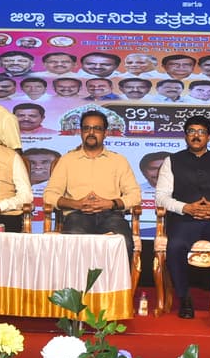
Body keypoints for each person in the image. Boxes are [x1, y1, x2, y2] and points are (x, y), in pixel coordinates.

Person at [155, 116, 210, 318]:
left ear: (209, 137)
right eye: (191, 131)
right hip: (184, 220)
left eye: (201, 132)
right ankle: (184, 298)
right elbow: (161, 197)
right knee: (176, 246)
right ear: (185, 136)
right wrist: (186, 207)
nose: (196, 136)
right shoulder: (171, 161)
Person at [42, 110, 141, 259]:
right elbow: (49, 195)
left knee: (123, 243)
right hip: (77, 215)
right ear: (81, 132)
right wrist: (76, 204)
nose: (91, 133)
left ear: (105, 133)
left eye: (97, 129)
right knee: (73, 243)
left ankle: (115, 277)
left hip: (111, 215)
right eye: (87, 128)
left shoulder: (118, 161)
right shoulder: (67, 160)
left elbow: (135, 195)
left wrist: (111, 203)